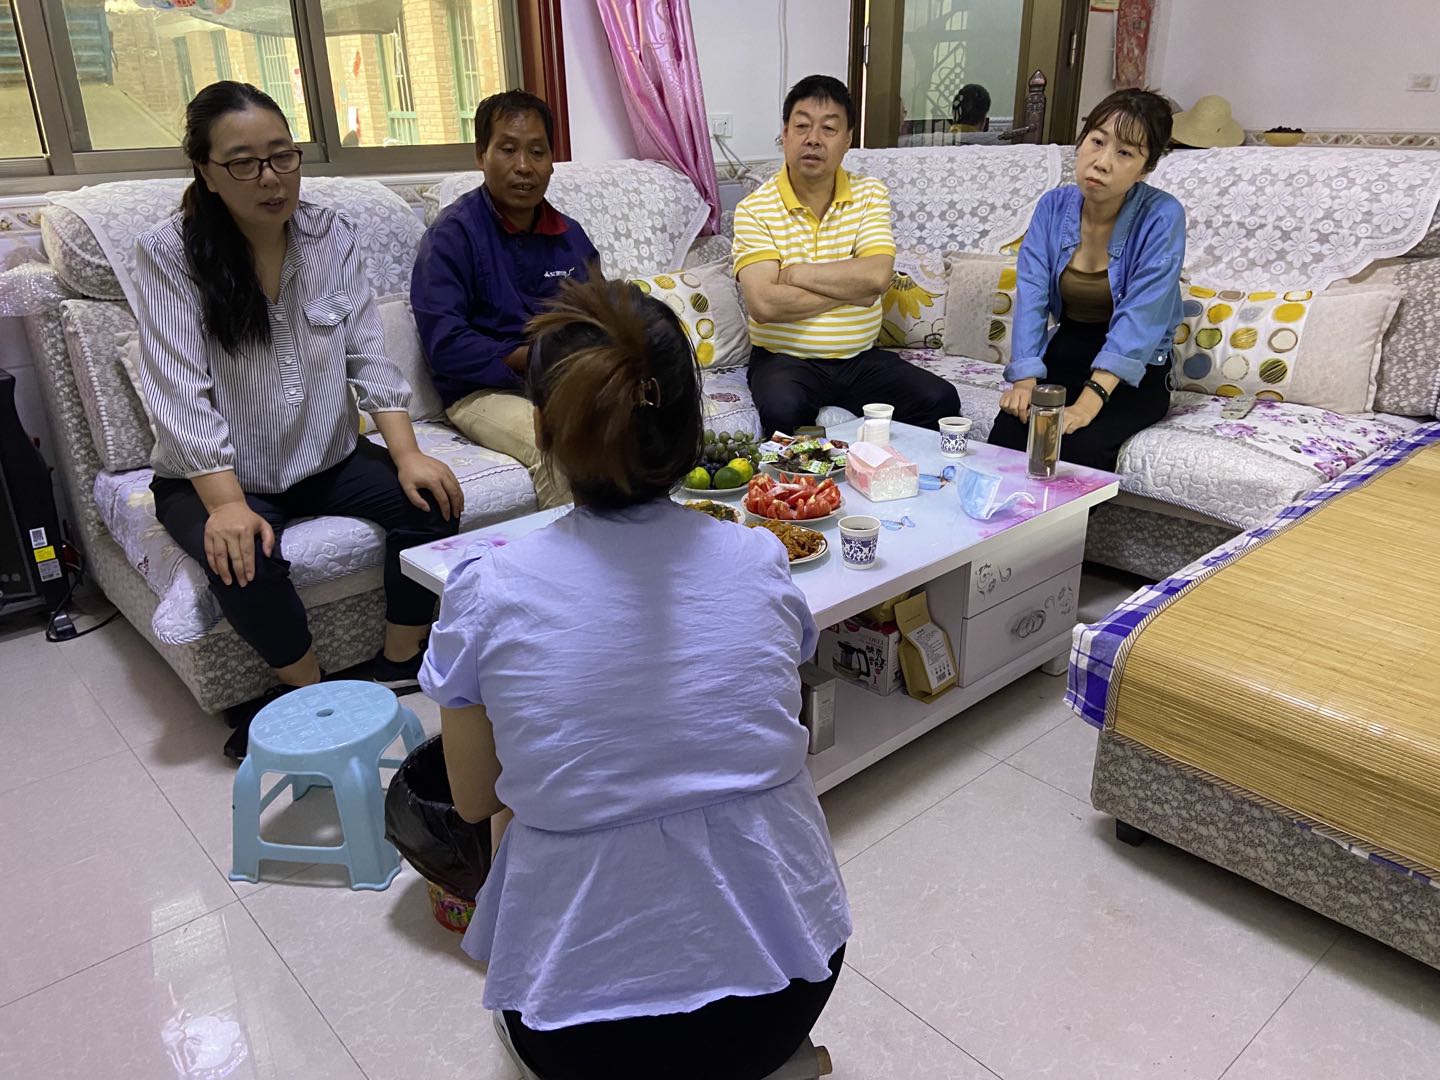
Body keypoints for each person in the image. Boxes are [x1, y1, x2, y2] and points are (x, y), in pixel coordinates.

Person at [420, 277, 850, 1080]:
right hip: (789, 988)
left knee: (517, 806)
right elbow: (763, 718)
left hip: (583, 1041)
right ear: (692, 429)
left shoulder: (488, 586)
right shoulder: (760, 559)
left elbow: (474, 799)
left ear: (544, 431)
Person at [133, 82, 463, 758]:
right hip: (220, 475)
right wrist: (226, 505)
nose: (270, 177)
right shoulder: (169, 253)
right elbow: (178, 391)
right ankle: (310, 693)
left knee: (433, 501)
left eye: (282, 155)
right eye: (243, 162)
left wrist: (407, 455)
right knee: (241, 559)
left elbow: (368, 355)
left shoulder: (328, 234)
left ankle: (398, 662)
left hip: (325, 456)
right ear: (206, 171)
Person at [734, 74, 961, 436]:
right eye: (802, 126)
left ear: (847, 140)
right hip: (784, 360)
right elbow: (764, 304)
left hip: (859, 360)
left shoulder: (869, 194)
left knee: (939, 399)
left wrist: (795, 273)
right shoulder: (754, 209)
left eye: (828, 128)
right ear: (785, 134)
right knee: (783, 409)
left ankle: (880, 467)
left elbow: (876, 277)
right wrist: (854, 291)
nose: (813, 138)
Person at [411, 90, 599, 509]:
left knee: (641, 422)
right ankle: (573, 553)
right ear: (482, 155)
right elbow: (446, 345)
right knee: (559, 449)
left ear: (552, 160)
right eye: (508, 149)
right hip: (482, 391)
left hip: (564, 377)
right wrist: (533, 357)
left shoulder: (570, 236)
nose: (524, 166)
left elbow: (599, 316)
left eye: (537, 151)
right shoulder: (451, 236)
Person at [988, 87, 1185, 472]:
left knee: (1080, 450)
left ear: (1145, 169)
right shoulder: (1052, 206)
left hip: (1139, 365)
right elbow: (1032, 296)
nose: (1102, 162)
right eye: (1097, 142)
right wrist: (1025, 379)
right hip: (1069, 346)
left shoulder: (1162, 216)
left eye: (1125, 153)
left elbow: (1142, 317)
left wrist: (1089, 401)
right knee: (1008, 437)